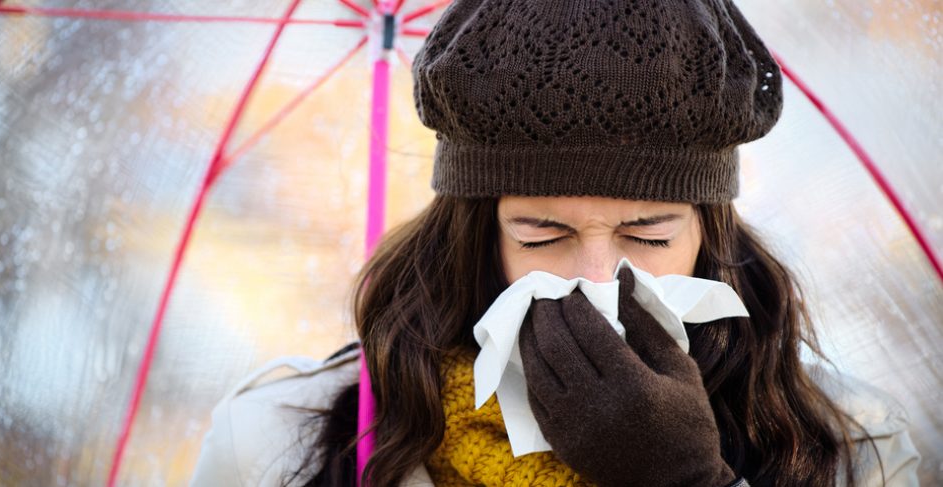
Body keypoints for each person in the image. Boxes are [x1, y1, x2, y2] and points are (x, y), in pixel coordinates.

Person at [190, 0, 921, 486]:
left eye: (648, 233)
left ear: (709, 232)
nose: (598, 280)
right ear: (477, 237)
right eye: (544, 233)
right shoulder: (280, 441)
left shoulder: (854, 449)